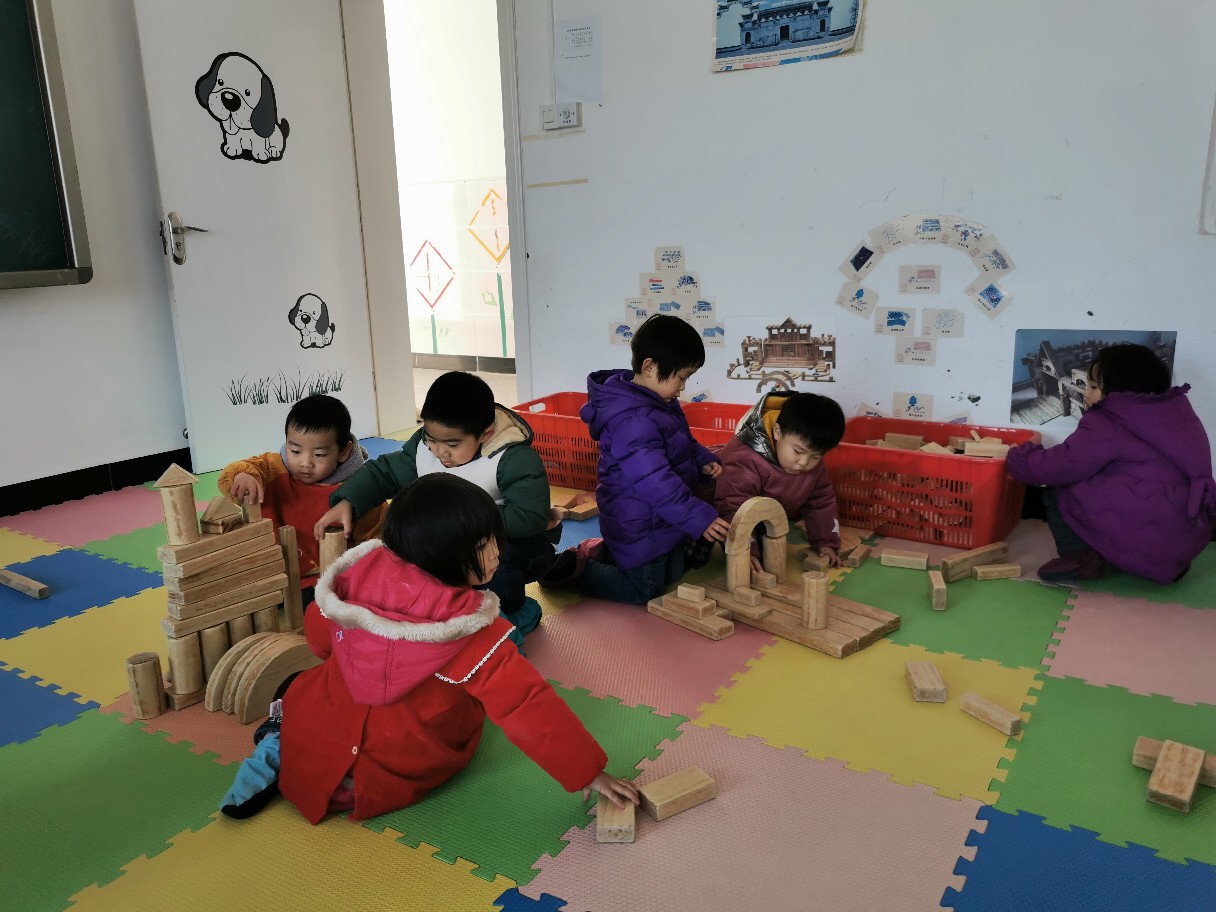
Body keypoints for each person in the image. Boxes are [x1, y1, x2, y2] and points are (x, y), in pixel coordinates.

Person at [221, 474, 638, 823]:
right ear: (443, 555)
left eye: (494, 538)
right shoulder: (471, 633)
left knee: (306, 688)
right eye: (482, 546)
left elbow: (318, 637)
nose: (497, 552)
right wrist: (588, 772)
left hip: (315, 740)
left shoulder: (356, 578)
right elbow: (527, 704)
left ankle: (277, 745)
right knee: (480, 702)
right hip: (391, 769)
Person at [313, 371, 554, 640]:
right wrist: (348, 501)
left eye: (452, 444)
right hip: (451, 544)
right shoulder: (423, 447)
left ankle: (514, 612)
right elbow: (386, 472)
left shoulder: (513, 458)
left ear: (485, 434)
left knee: (496, 572)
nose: (439, 452)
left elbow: (529, 516)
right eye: (431, 439)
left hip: (519, 545)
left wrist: (463, 523)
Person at [541, 314, 729, 604]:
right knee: (643, 590)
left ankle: (605, 552)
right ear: (650, 368)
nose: (683, 387)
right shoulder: (633, 421)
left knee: (677, 567)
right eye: (682, 377)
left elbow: (682, 439)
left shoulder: (662, 401)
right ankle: (575, 570)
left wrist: (701, 458)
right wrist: (698, 516)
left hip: (660, 517)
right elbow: (657, 483)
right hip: (635, 521)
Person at [1006, 343, 1216, 583]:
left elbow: (1062, 465)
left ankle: (1080, 557)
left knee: (1057, 489)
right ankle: (1166, 560)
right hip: (1189, 531)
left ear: (1120, 390)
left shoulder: (1108, 420)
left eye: (1094, 386)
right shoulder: (1176, 414)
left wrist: (1022, 457)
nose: (1086, 393)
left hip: (1145, 525)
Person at [218, 394, 384, 600]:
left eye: (319, 455)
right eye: (295, 450)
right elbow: (237, 470)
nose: (305, 463)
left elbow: (376, 542)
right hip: (271, 574)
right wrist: (243, 476)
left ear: (343, 451)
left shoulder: (361, 488)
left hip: (327, 582)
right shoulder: (274, 468)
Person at [714, 391, 846, 571]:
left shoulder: (811, 464)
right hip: (713, 508)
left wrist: (826, 543)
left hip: (765, 515)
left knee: (771, 548)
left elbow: (821, 502)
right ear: (777, 432)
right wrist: (744, 552)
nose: (804, 462)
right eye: (798, 451)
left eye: (816, 456)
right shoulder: (745, 460)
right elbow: (731, 506)